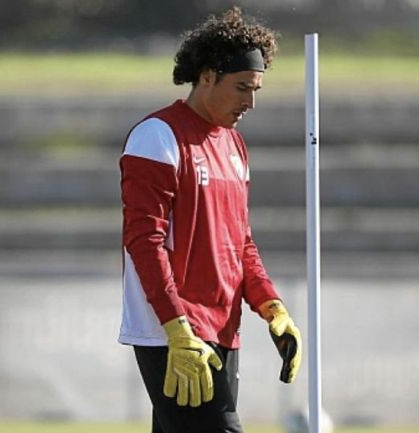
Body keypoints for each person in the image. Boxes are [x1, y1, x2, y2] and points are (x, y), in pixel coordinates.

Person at [119, 7, 302, 433]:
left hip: (222, 329)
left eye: (256, 90)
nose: (250, 102)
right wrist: (177, 329)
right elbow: (144, 240)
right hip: (176, 332)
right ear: (206, 76)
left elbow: (241, 244)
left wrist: (271, 306)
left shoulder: (235, 146)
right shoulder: (157, 136)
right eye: (241, 88)